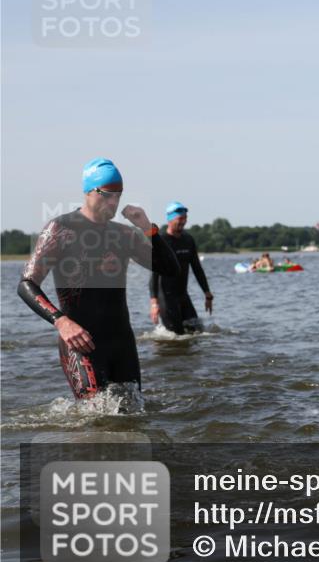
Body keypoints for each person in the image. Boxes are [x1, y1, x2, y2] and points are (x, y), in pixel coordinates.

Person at [17, 158, 180, 399]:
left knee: (132, 419)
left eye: (118, 194)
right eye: (106, 194)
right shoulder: (61, 229)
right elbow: (26, 284)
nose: (113, 202)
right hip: (80, 344)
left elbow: (170, 269)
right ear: (89, 191)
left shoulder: (123, 234)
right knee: (93, 418)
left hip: (122, 342)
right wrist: (61, 322)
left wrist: (149, 229)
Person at [149, 202, 213, 335]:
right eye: (180, 219)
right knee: (177, 335)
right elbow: (154, 275)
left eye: (185, 218)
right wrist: (154, 303)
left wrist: (207, 293)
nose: (183, 222)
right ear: (170, 220)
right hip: (165, 297)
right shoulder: (161, 240)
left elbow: (197, 268)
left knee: (197, 331)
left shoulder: (188, 240)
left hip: (183, 295)